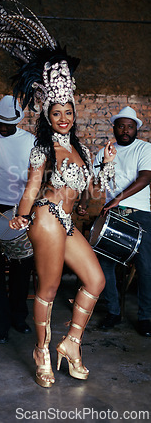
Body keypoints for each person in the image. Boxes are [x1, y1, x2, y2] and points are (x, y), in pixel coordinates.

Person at [0, 0, 115, 388]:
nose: (63, 117)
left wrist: (105, 167)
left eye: (68, 112)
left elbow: (92, 196)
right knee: (46, 289)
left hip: (67, 222)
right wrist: (20, 217)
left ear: (73, 114)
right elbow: (31, 188)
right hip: (45, 218)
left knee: (95, 281)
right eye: (56, 112)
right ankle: (41, 352)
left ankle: (71, 344)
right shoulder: (41, 147)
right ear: (47, 115)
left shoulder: (80, 149)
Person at [85, 106, 151, 337]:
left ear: (136, 129)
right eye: (121, 126)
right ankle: (113, 312)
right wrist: (84, 202)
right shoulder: (104, 152)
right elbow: (93, 182)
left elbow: (145, 177)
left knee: (146, 265)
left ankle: (146, 316)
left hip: (140, 212)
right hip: (112, 214)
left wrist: (118, 199)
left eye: (130, 126)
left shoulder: (145, 148)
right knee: (104, 264)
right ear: (114, 128)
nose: (125, 130)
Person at [0, 95, 35, 344]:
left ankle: (18, 317)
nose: (2, 126)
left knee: (22, 266)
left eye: (7, 123)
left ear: (17, 121)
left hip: (21, 208)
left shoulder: (30, 141)